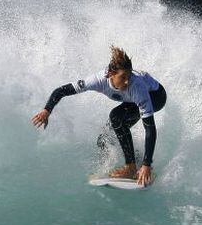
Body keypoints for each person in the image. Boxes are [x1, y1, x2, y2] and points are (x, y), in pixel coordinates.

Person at [31, 46, 167, 186]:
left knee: (116, 117)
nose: (127, 81)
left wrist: (147, 164)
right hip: (131, 100)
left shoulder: (136, 87)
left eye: (129, 76)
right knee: (104, 138)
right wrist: (46, 110)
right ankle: (136, 159)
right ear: (110, 74)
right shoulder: (97, 80)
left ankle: (133, 167)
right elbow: (61, 91)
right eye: (123, 77)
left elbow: (150, 128)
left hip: (156, 97)